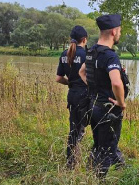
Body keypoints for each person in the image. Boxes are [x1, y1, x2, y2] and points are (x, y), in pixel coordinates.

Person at [79, 14, 127, 177]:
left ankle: (116, 168)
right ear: (114, 31)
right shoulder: (110, 55)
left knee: (100, 143)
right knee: (107, 149)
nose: (120, 33)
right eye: (119, 30)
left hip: (94, 106)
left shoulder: (92, 51)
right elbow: (116, 83)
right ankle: (98, 178)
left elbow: (82, 72)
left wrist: (95, 89)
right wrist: (121, 102)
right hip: (108, 110)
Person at [55, 25, 91, 169]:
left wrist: (70, 83)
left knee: (74, 129)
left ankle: (71, 162)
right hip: (85, 96)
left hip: (72, 95)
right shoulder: (86, 55)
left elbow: (58, 78)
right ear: (85, 39)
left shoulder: (64, 54)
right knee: (87, 128)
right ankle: (79, 162)